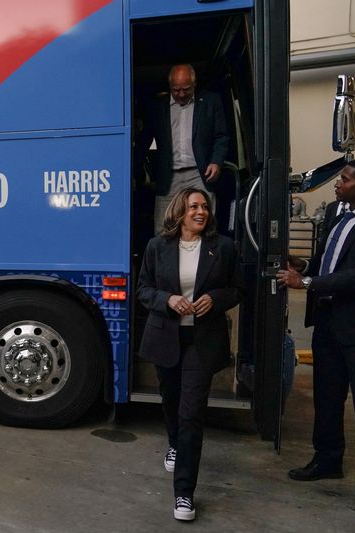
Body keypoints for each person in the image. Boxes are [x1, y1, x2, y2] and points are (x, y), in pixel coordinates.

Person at [137, 187, 243, 521]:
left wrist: (216, 299)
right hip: (166, 337)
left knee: (191, 412)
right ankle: (173, 443)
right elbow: (143, 290)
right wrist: (167, 300)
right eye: (194, 206)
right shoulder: (158, 247)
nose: (201, 212)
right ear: (180, 211)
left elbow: (237, 289)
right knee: (170, 400)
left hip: (203, 339)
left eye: (205, 207)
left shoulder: (223, 247)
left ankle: (184, 494)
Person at [277, 158, 355, 518]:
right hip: (327, 323)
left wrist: (308, 284)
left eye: (344, 179)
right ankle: (327, 459)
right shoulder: (335, 212)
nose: (337, 183)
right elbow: (328, 260)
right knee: (328, 399)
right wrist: (304, 267)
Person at [139, 64, 229, 234]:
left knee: (204, 225)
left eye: (186, 89)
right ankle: (166, 261)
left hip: (199, 174)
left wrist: (216, 162)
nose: (181, 94)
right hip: (168, 176)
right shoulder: (158, 106)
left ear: (194, 84)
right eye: (176, 90)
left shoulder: (210, 101)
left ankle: (203, 259)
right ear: (170, 86)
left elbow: (221, 136)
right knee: (163, 227)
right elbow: (145, 139)